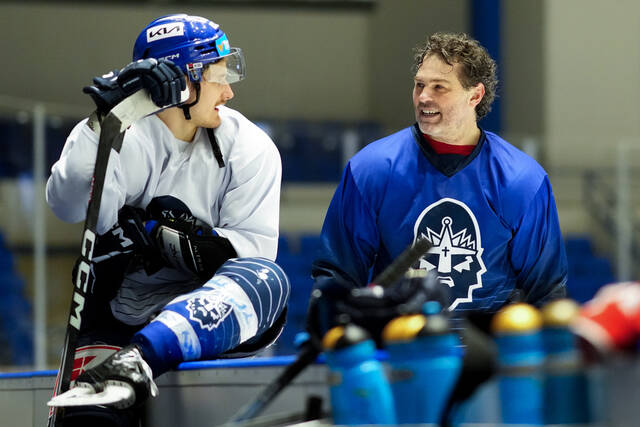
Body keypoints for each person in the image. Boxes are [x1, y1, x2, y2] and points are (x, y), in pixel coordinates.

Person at [46, 14, 289, 426]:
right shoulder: (117, 131)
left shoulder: (249, 147)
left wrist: (161, 238)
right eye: (218, 76)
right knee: (87, 422)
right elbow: (68, 204)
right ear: (183, 80)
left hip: (204, 325)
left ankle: (142, 358)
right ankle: (124, 366)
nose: (229, 91)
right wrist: (101, 124)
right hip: (121, 315)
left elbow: (254, 258)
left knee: (270, 279)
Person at [307, 32, 568, 338]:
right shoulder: (372, 169)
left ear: (475, 95)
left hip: (487, 358)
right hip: (398, 349)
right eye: (419, 85)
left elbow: (546, 292)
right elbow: (336, 275)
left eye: (439, 87)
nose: (423, 97)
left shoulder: (522, 180)